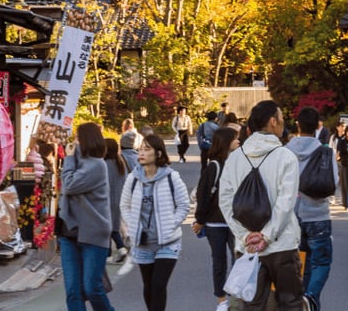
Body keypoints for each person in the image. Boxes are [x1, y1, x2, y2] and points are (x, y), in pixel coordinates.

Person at [218, 100, 303, 311]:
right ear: (273, 122)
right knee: (290, 303)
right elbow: (286, 203)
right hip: (282, 244)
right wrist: (266, 235)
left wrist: (245, 235)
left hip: (247, 248)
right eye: (282, 119)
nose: (284, 123)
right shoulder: (286, 157)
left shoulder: (235, 158)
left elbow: (226, 201)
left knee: (252, 305)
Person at [118, 133, 190, 311]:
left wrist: (171, 223)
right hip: (143, 243)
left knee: (158, 285)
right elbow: (124, 205)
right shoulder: (133, 178)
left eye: (147, 149)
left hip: (168, 242)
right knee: (148, 285)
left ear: (158, 154)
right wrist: (132, 224)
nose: (141, 153)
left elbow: (183, 205)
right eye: (140, 149)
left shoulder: (171, 177)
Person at [57, 123, 116, 311]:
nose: (74, 142)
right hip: (69, 232)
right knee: (73, 290)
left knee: (92, 288)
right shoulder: (75, 162)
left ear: (85, 140)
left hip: (93, 232)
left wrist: (67, 158)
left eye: (77, 138)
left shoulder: (97, 165)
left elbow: (70, 184)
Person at [286, 107, 339, 310]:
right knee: (321, 261)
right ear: (318, 125)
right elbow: (332, 183)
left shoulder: (286, 151)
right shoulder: (325, 152)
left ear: (297, 125)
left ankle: (299, 299)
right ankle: (310, 296)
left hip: (291, 214)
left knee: (297, 260)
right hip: (318, 214)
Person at [195, 126, 240, 311]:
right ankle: (221, 300)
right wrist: (199, 219)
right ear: (226, 142)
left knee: (239, 258)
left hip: (236, 221)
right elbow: (203, 195)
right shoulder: (214, 166)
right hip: (215, 221)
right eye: (235, 138)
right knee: (219, 260)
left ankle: (237, 295)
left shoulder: (239, 163)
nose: (239, 141)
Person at [102, 138, 129, 263]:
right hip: (119, 199)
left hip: (107, 200)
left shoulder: (105, 165)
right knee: (113, 227)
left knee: (106, 228)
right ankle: (121, 248)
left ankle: (107, 255)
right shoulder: (120, 163)